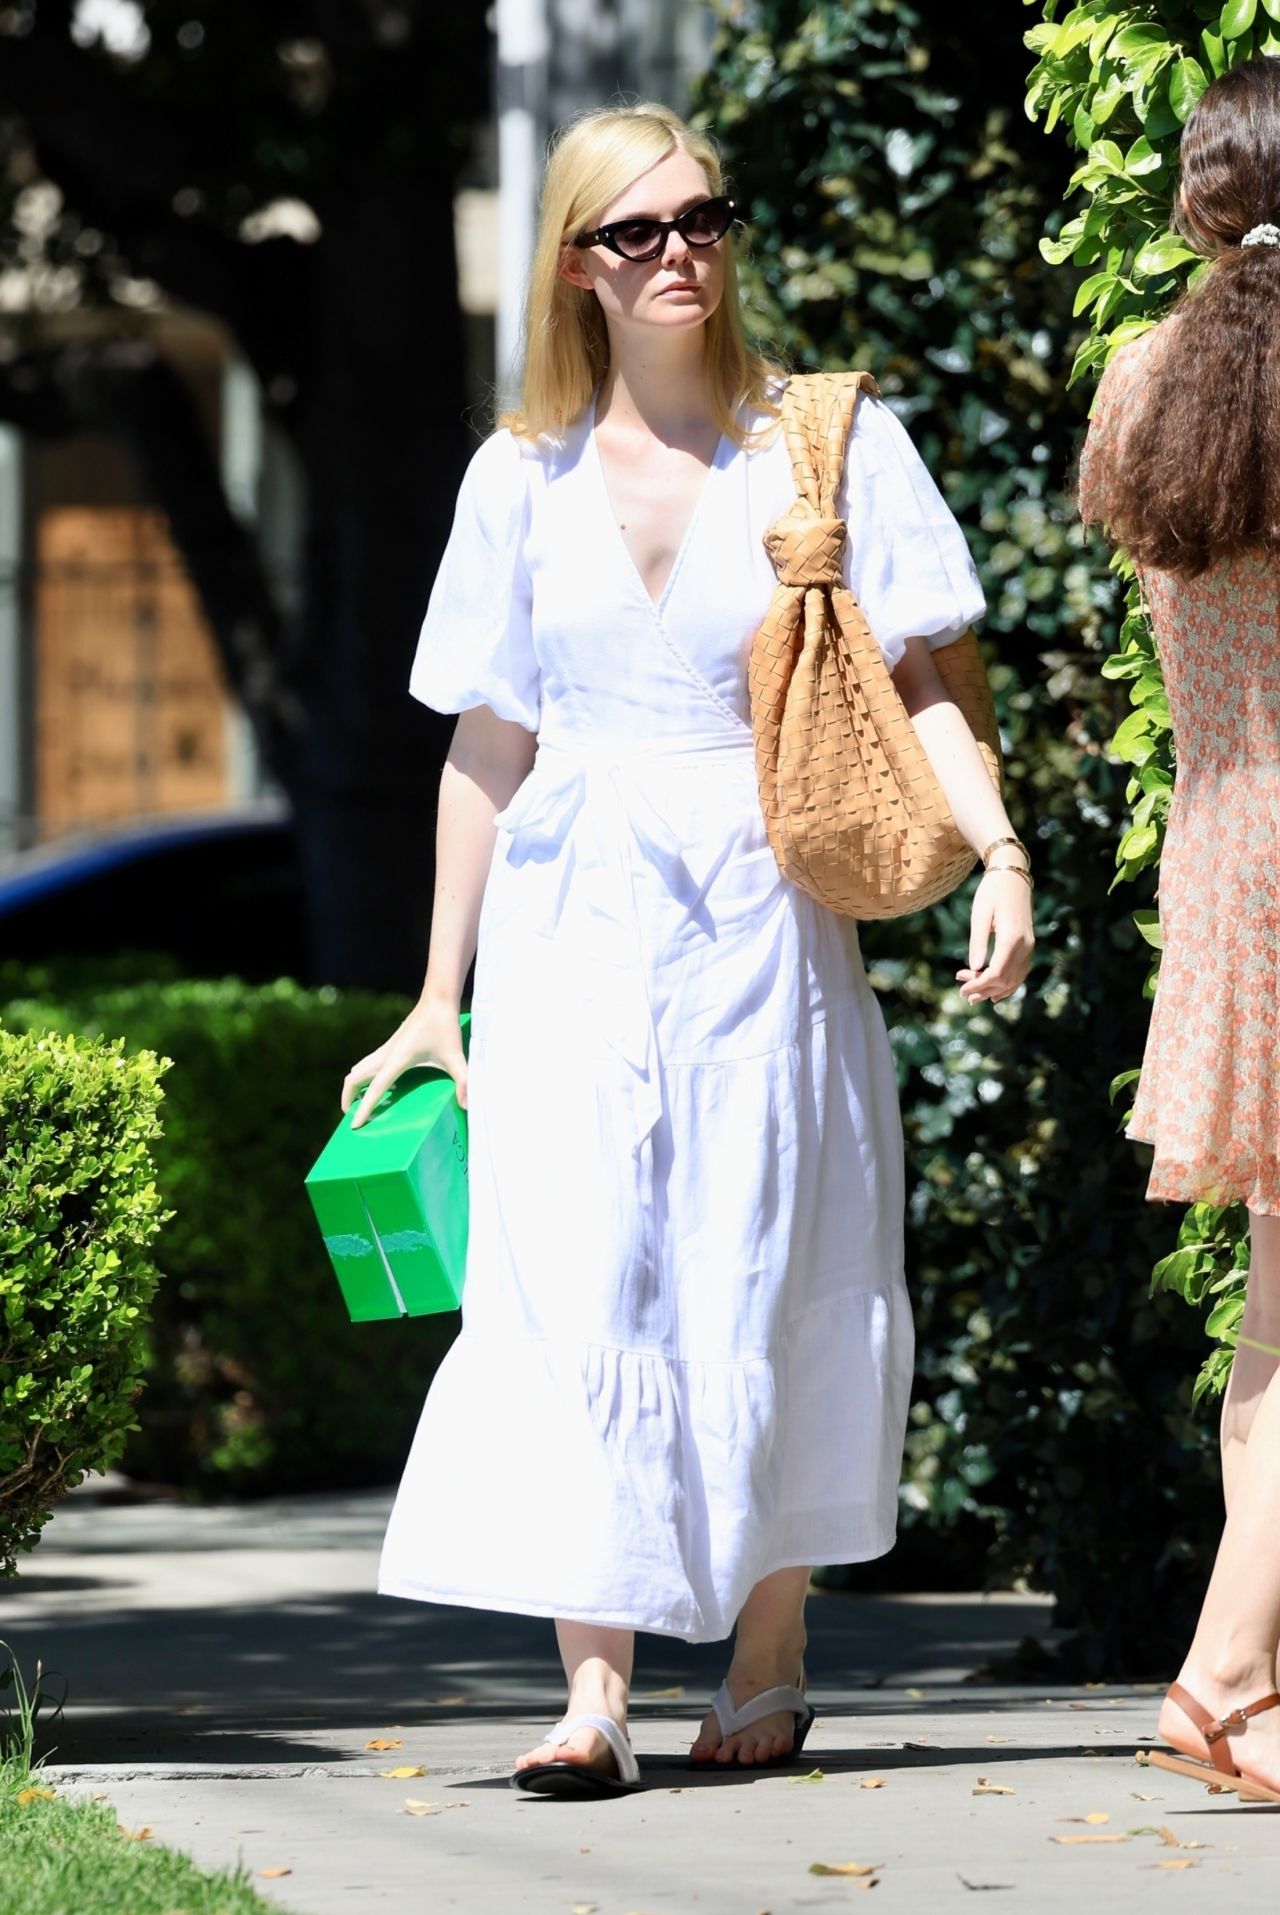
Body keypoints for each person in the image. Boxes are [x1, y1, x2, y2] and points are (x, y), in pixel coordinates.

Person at [342, 101, 1033, 1796]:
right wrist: (441, 998)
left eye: (702, 221)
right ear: (573, 264)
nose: (678, 257)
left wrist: (999, 845)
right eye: (634, 233)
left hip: (765, 910)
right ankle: (594, 1691)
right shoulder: (518, 475)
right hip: (570, 921)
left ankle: (770, 1653)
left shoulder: (824, 447)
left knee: (763, 1251)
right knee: (578, 1267)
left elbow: (934, 680)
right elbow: (487, 745)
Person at [1077, 56, 1280, 1807]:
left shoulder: (1148, 383)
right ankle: (1221, 1678)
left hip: (1228, 868)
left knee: (1277, 1321)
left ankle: (1253, 1690)